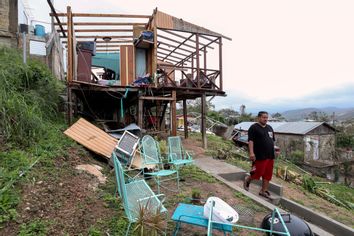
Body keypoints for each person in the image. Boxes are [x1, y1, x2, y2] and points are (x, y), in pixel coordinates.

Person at [243, 111, 275, 198]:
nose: (265, 119)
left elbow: (272, 140)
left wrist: (275, 150)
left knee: (268, 174)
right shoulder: (254, 127)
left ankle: (263, 191)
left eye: (266, 118)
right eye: (264, 117)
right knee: (258, 172)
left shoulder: (270, 128)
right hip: (260, 155)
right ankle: (248, 179)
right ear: (259, 118)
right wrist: (251, 153)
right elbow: (251, 141)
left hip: (270, 155)